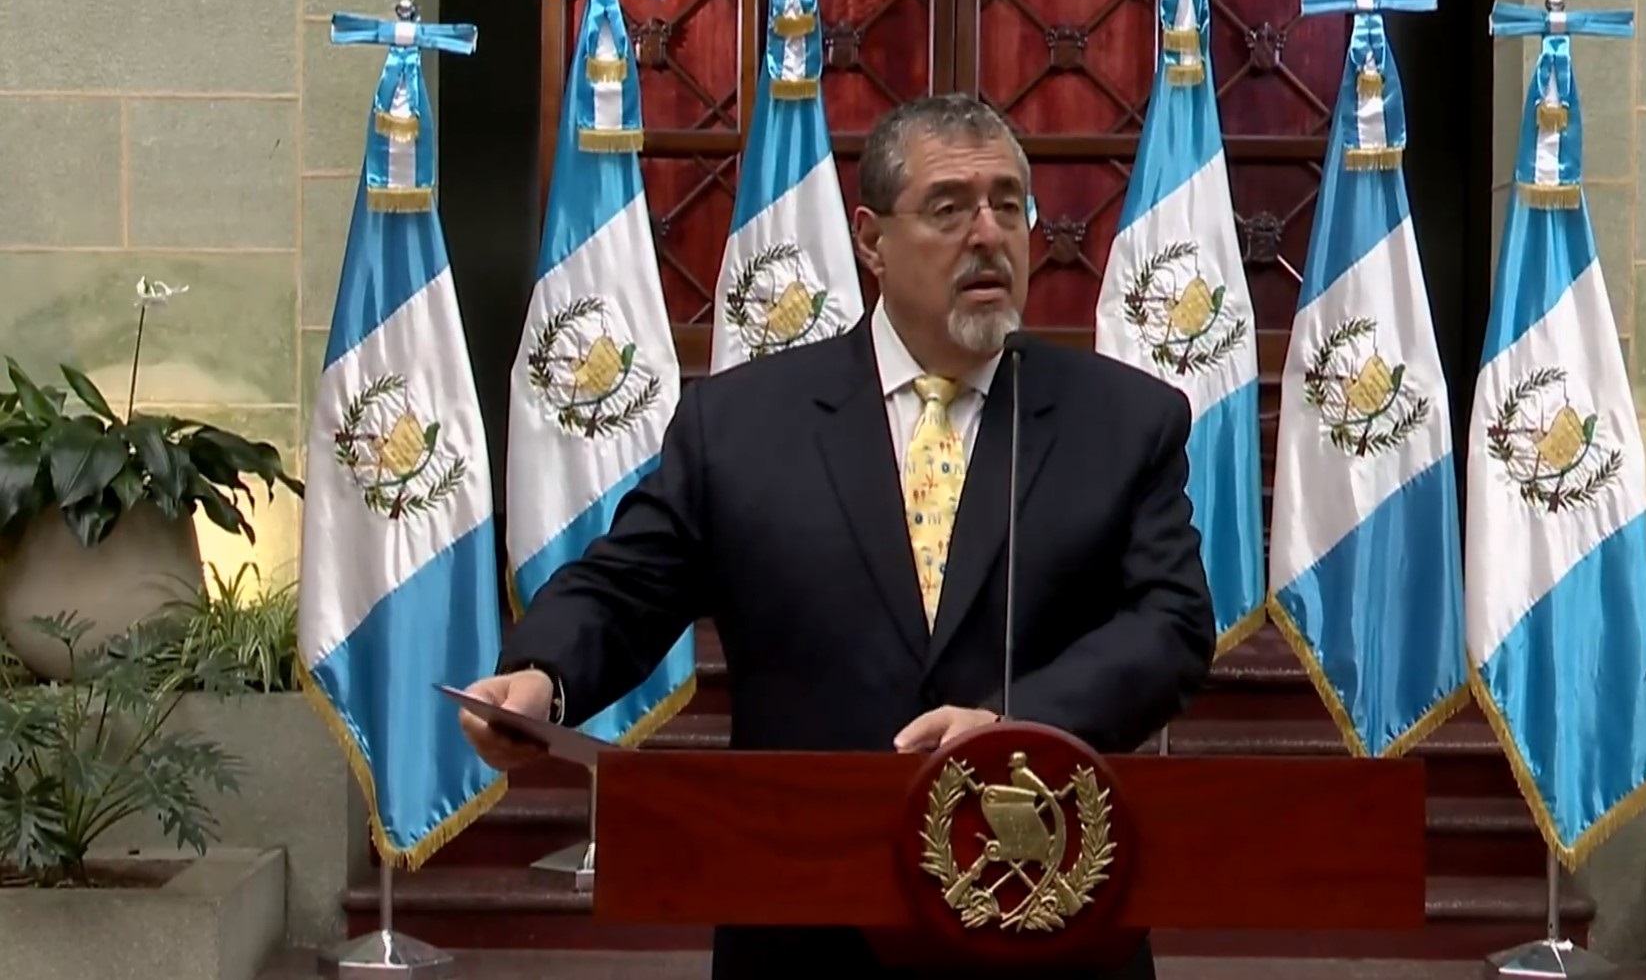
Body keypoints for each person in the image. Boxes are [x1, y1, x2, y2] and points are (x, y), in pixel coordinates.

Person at [458, 93, 1215, 980]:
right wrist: (542, 676)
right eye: (949, 207)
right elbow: (626, 587)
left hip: (1043, 909)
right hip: (802, 922)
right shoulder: (741, 424)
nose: (988, 234)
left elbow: (1170, 624)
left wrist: (1018, 727)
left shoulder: (1122, 420)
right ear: (870, 239)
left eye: (1009, 205)